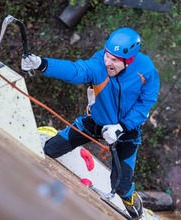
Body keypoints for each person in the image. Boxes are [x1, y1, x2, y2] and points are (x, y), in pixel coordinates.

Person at [21, 27, 160, 219]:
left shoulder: (146, 70)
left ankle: (130, 200)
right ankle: (52, 132)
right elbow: (78, 70)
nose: (107, 62)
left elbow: (147, 102)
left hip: (126, 132)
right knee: (51, 149)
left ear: (129, 60)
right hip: (95, 121)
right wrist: (42, 64)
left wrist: (122, 127)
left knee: (121, 187)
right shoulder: (99, 63)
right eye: (107, 55)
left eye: (114, 60)